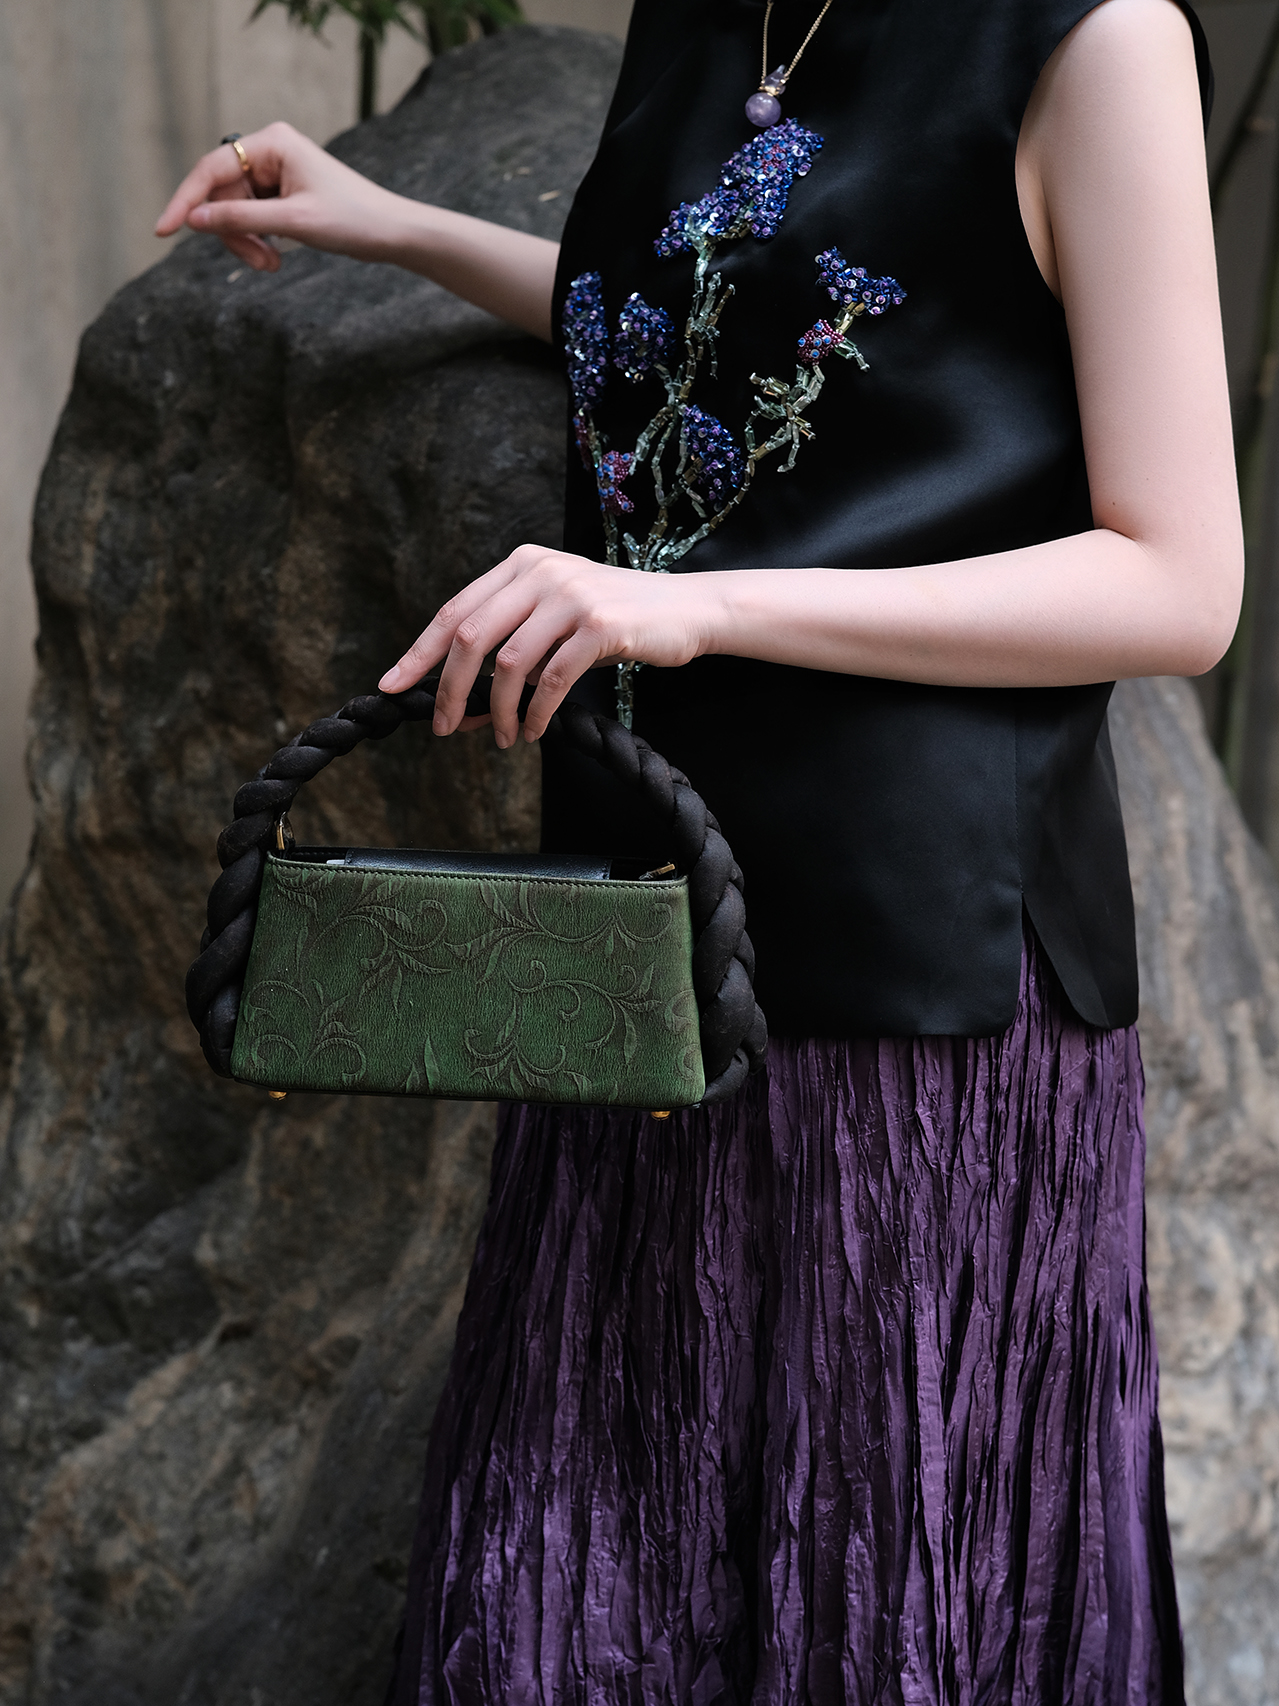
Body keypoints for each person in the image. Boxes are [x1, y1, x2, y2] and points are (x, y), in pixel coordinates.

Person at [158, 0, 1240, 1698]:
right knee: (567, 1591)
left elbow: (1180, 580)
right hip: (629, 963)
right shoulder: (709, 16)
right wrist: (396, 225)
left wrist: (694, 606)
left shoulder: (1094, 40)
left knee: (886, 1600)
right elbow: (711, 322)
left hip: (913, 998)